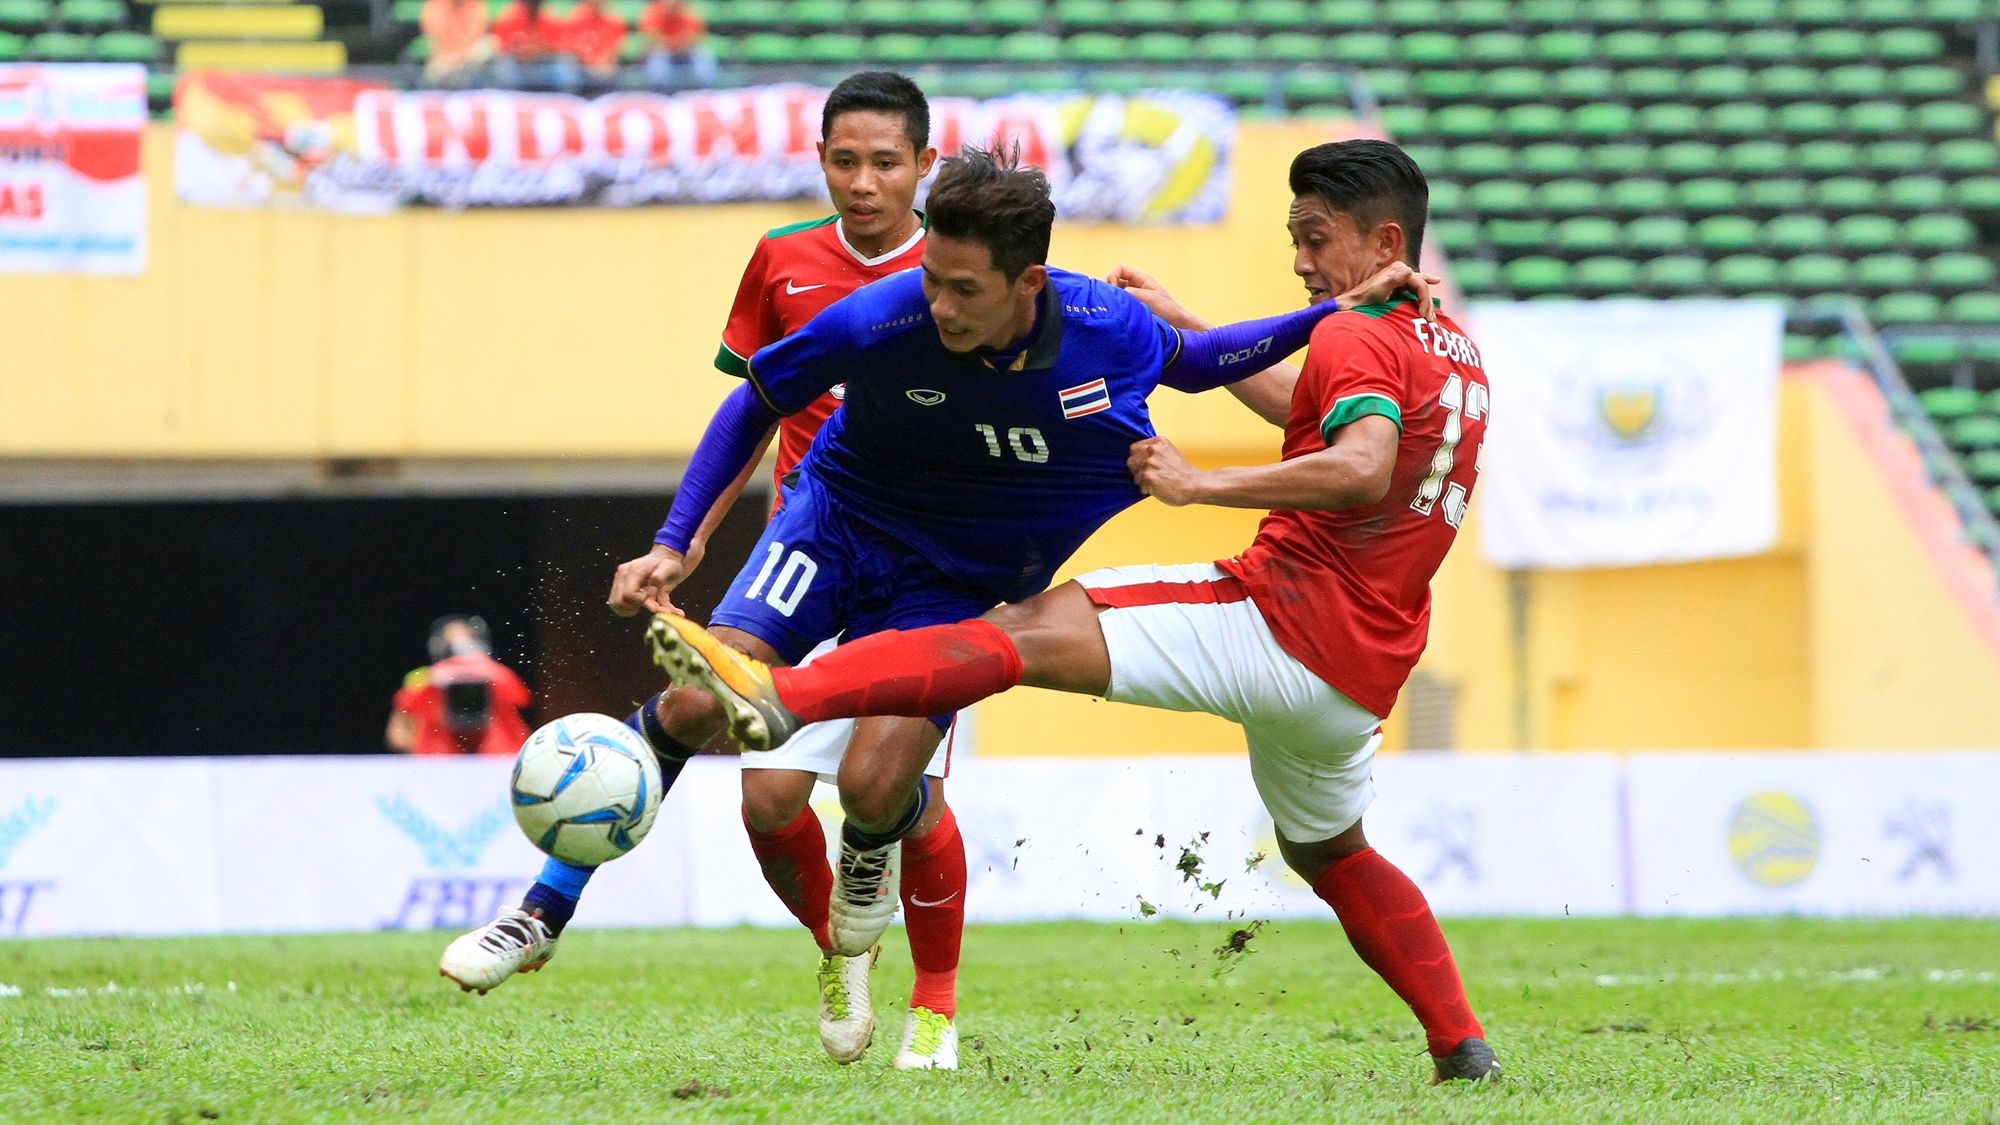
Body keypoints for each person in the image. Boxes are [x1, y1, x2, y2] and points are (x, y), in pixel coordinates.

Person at [643, 139, 1503, 1085]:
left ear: (1383, 238)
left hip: (1276, 617)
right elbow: (1310, 410)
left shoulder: (1354, 333)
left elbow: (1360, 462)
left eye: (1314, 239)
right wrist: (1208, 323)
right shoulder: (1452, 346)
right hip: (1360, 675)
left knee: (1015, 632)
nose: (1300, 260)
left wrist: (1200, 481)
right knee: (1332, 849)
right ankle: (1461, 1043)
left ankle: (784, 697)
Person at [443, 73, 969, 1072]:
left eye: (885, 163)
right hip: (806, 547)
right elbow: (750, 415)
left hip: (927, 564)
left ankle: (933, 1015)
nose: (863, 182)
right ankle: (807, 953)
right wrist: (677, 543)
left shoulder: (962, 269)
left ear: (923, 167)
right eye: (843, 161)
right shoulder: (781, 261)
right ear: (820, 161)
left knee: (889, 797)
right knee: (747, 775)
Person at [386, 615, 533, 757]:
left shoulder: (497, 674)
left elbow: (522, 698)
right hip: (440, 762)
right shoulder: (424, 678)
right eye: (452, 640)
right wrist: (439, 676)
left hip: (496, 759)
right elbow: (398, 727)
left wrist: (483, 669)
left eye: (466, 640)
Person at [490, 0, 578, 92]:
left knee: (564, 62)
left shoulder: (548, 15)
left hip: (543, 62)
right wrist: (521, 51)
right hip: (518, 64)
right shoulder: (511, 14)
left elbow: (559, 45)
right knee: (503, 63)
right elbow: (501, 45)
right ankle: (510, 98)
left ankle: (569, 98)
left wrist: (539, 49)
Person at [638, 0, 718, 90]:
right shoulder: (653, 12)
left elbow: (694, 39)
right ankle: (659, 91)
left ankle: (705, 90)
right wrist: (673, 43)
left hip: (686, 51)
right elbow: (652, 39)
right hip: (663, 50)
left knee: (702, 53)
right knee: (657, 55)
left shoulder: (690, 12)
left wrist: (677, 44)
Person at [419, 0, 494, 88]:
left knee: (486, 45)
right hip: (444, 56)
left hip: (468, 56)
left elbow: (474, 36)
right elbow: (436, 39)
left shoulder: (474, 5)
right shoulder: (436, 7)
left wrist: (461, 57)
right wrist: (450, 58)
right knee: (436, 73)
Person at [563, 0, 627, 89]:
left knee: (608, 71)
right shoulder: (575, 18)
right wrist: (584, 59)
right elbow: (568, 45)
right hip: (579, 65)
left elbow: (616, 49)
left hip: (604, 67)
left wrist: (605, 59)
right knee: (565, 68)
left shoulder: (613, 21)